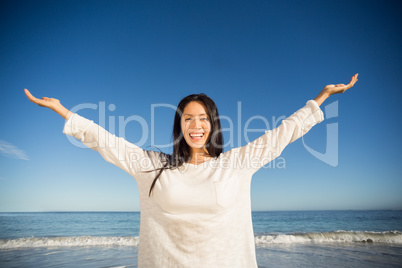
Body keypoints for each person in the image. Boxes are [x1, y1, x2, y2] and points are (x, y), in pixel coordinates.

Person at [24, 73, 358, 267]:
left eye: (202, 118)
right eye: (188, 118)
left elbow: (283, 133)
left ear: (213, 124)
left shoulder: (235, 164)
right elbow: (108, 142)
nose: (195, 125)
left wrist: (322, 97)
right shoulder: (155, 167)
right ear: (179, 125)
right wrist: (63, 112)